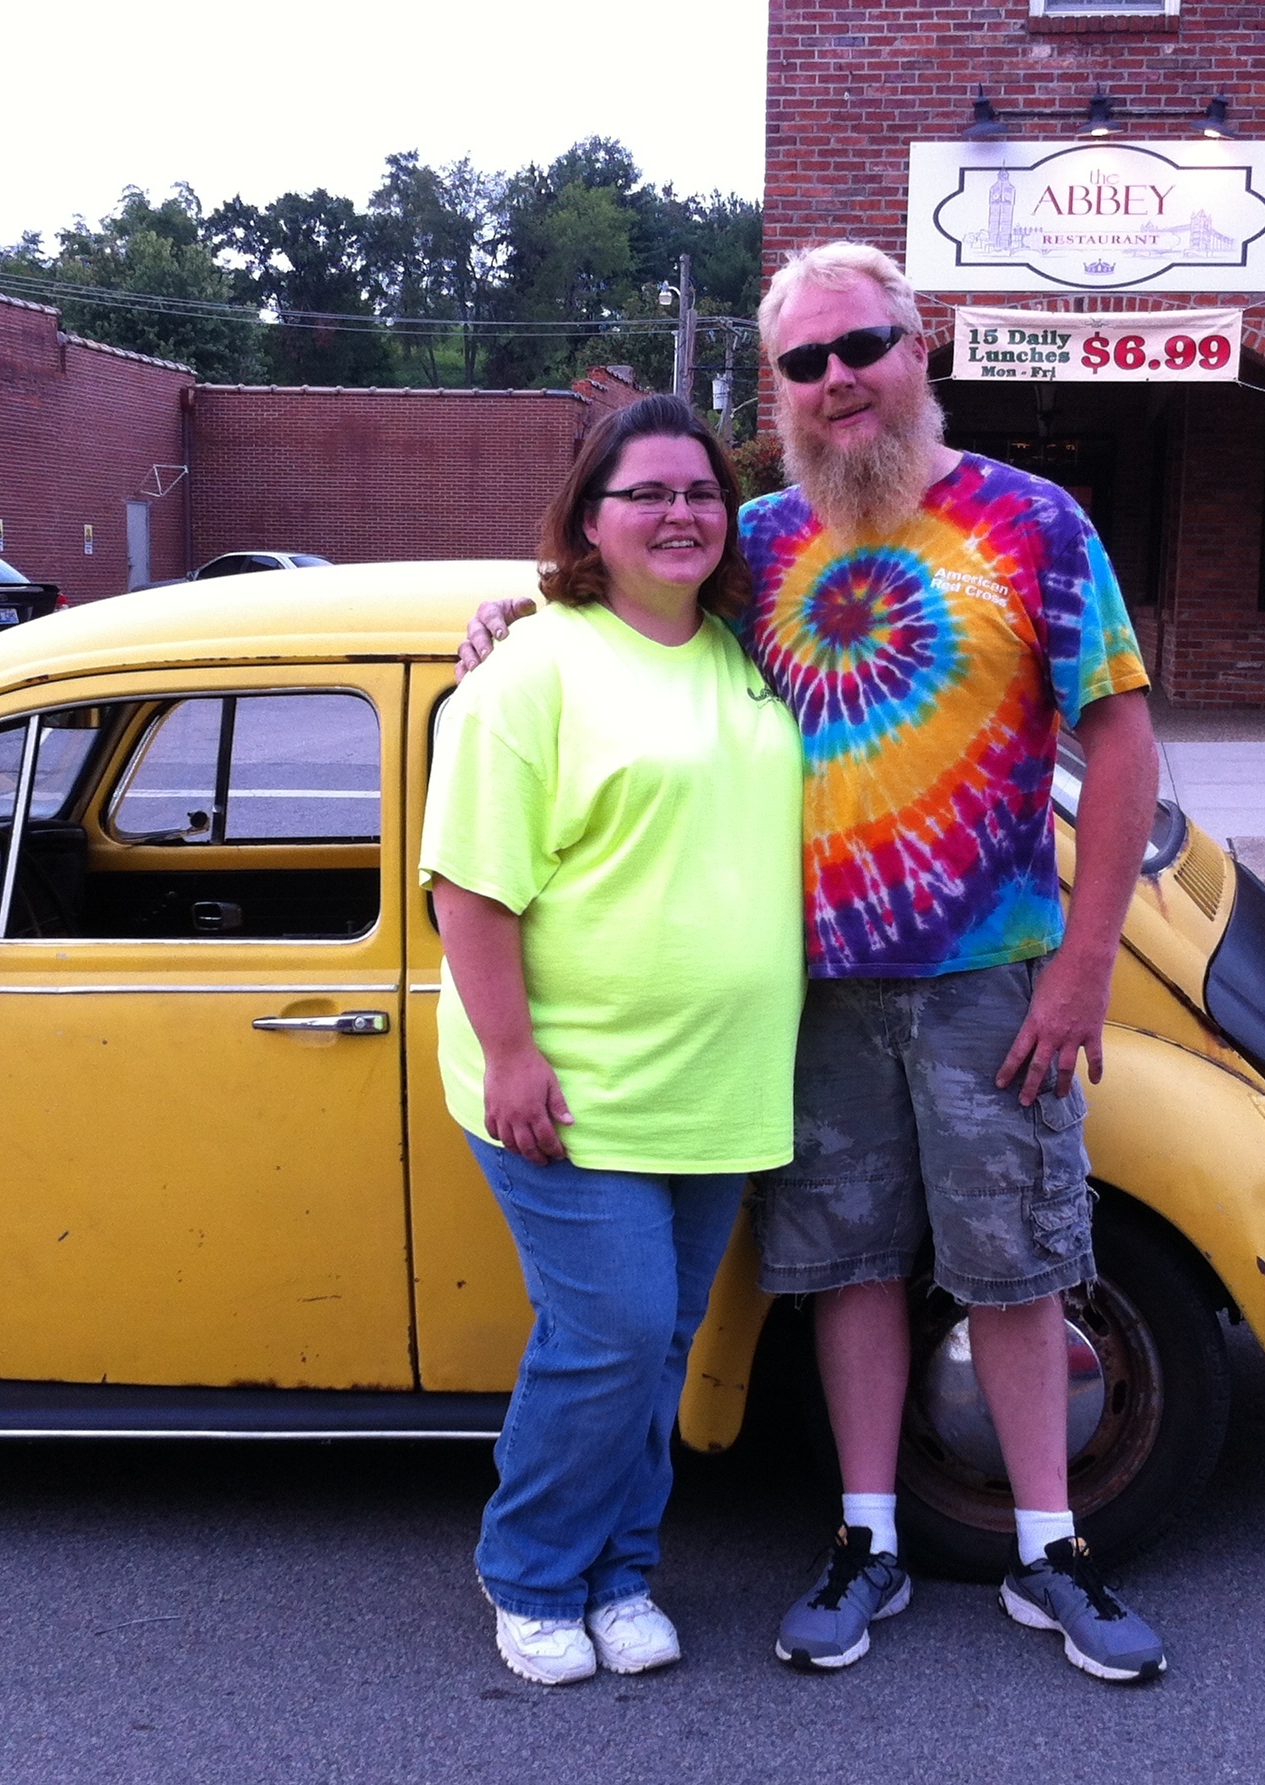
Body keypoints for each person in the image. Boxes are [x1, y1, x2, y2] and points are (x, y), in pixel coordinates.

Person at [460, 242, 1167, 1684]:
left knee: (1016, 1269)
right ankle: (867, 1539)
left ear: (924, 348)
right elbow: (618, 620)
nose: (839, 380)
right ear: (774, 388)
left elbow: (1122, 741)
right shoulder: (757, 542)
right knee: (844, 1267)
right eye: (805, 362)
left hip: (994, 983)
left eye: (865, 347)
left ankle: (1050, 1549)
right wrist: (502, 618)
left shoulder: (1037, 523)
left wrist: (1087, 967)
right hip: (812, 994)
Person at [423, 394, 805, 1687]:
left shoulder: (747, 656)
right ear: (589, 520)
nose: (680, 512)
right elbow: (468, 887)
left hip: (717, 1084)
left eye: (699, 491)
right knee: (611, 1332)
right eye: (646, 492)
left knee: (660, 1338)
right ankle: (532, 1575)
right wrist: (514, 1054)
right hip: (570, 1085)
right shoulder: (533, 671)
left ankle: (621, 1570)